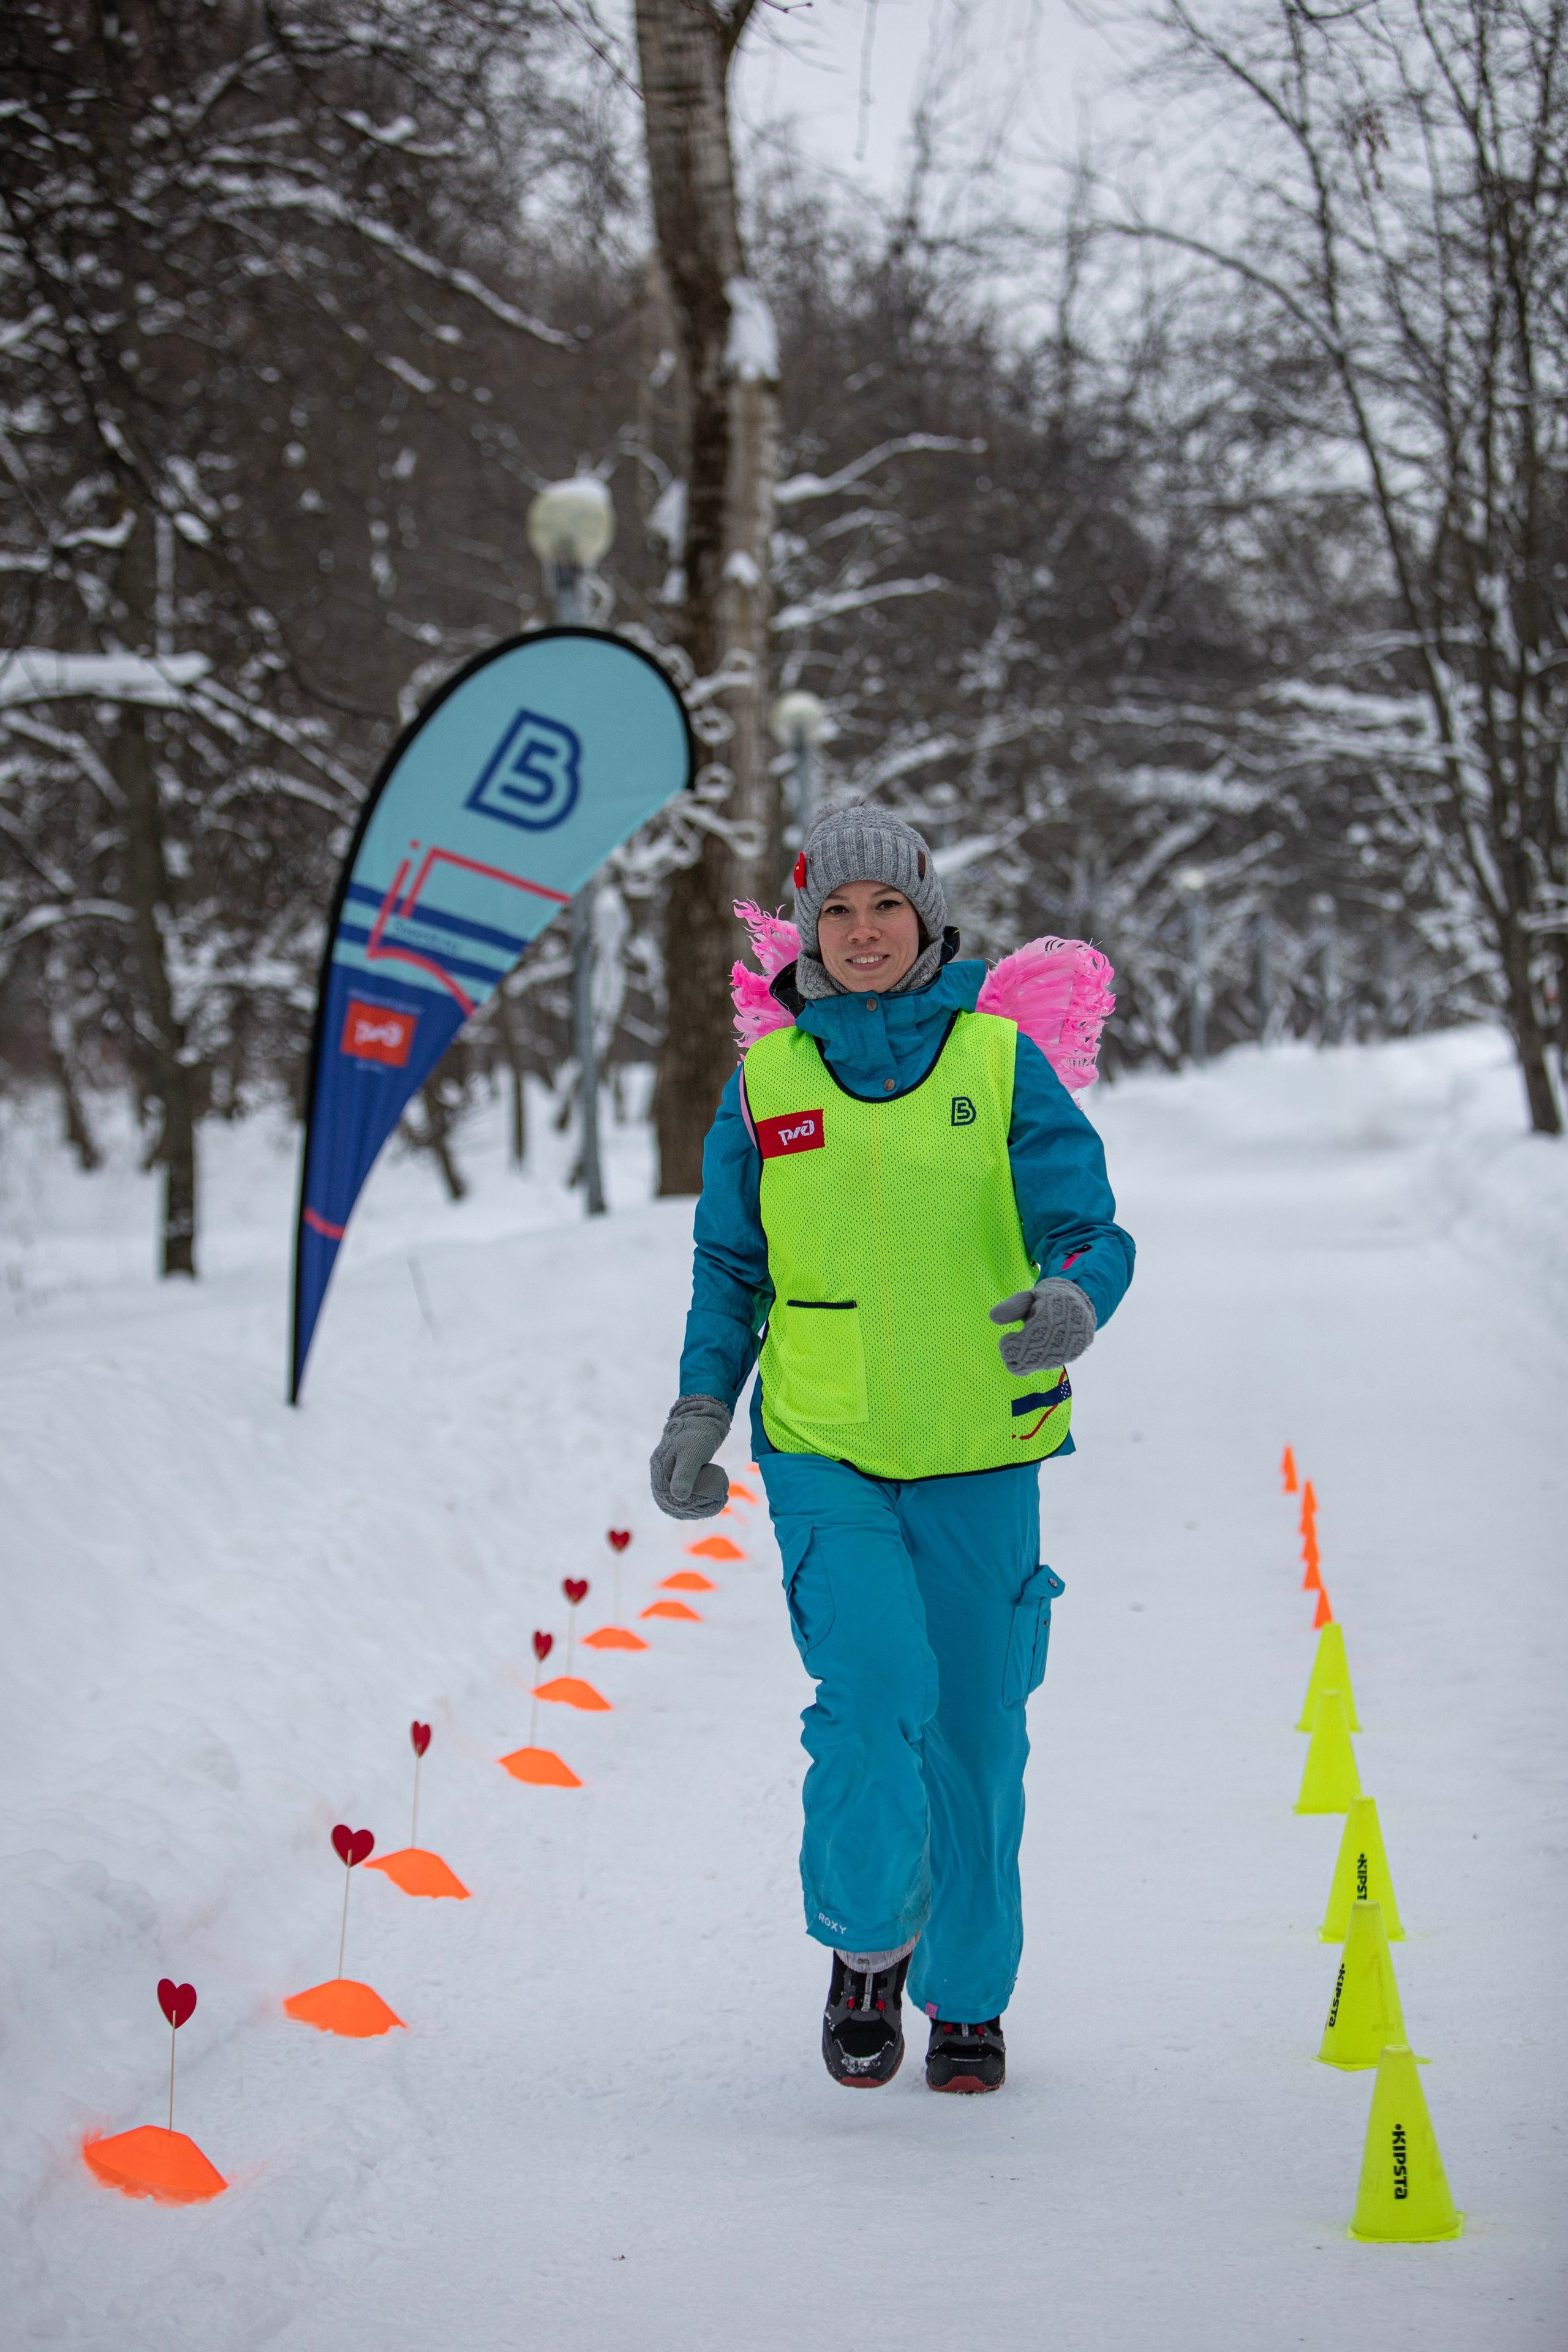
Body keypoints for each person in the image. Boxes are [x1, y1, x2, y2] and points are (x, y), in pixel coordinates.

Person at [649, 804, 1134, 2092]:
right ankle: (867, 1948)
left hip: (980, 1442)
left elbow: (1087, 1224)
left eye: (885, 910)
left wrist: (1075, 1296)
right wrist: (702, 1406)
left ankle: (966, 1998)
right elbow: (727, 1264)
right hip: (825, 1447)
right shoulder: (767, 1084)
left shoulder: (994, 1061)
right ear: (807, 932)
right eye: (837, 913)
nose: (862, 934)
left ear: (925, 918)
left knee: (975, 1732)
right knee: (871, 1707)